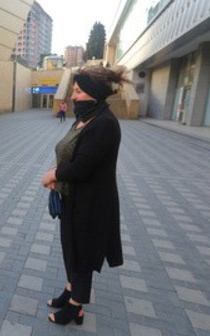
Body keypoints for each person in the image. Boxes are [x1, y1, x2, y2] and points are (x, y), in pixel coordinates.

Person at [41, 65, 130, 325]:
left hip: (92, 202)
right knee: (71, 247)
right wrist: (58, 174)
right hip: (74, 196)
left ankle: (75, 307)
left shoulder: (105, 124)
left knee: (82, 253)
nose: (73, 96)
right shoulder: (85, 118)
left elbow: (83, 166)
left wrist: (53, 174)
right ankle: (71, 291)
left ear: (92, 93)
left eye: (78, 91)